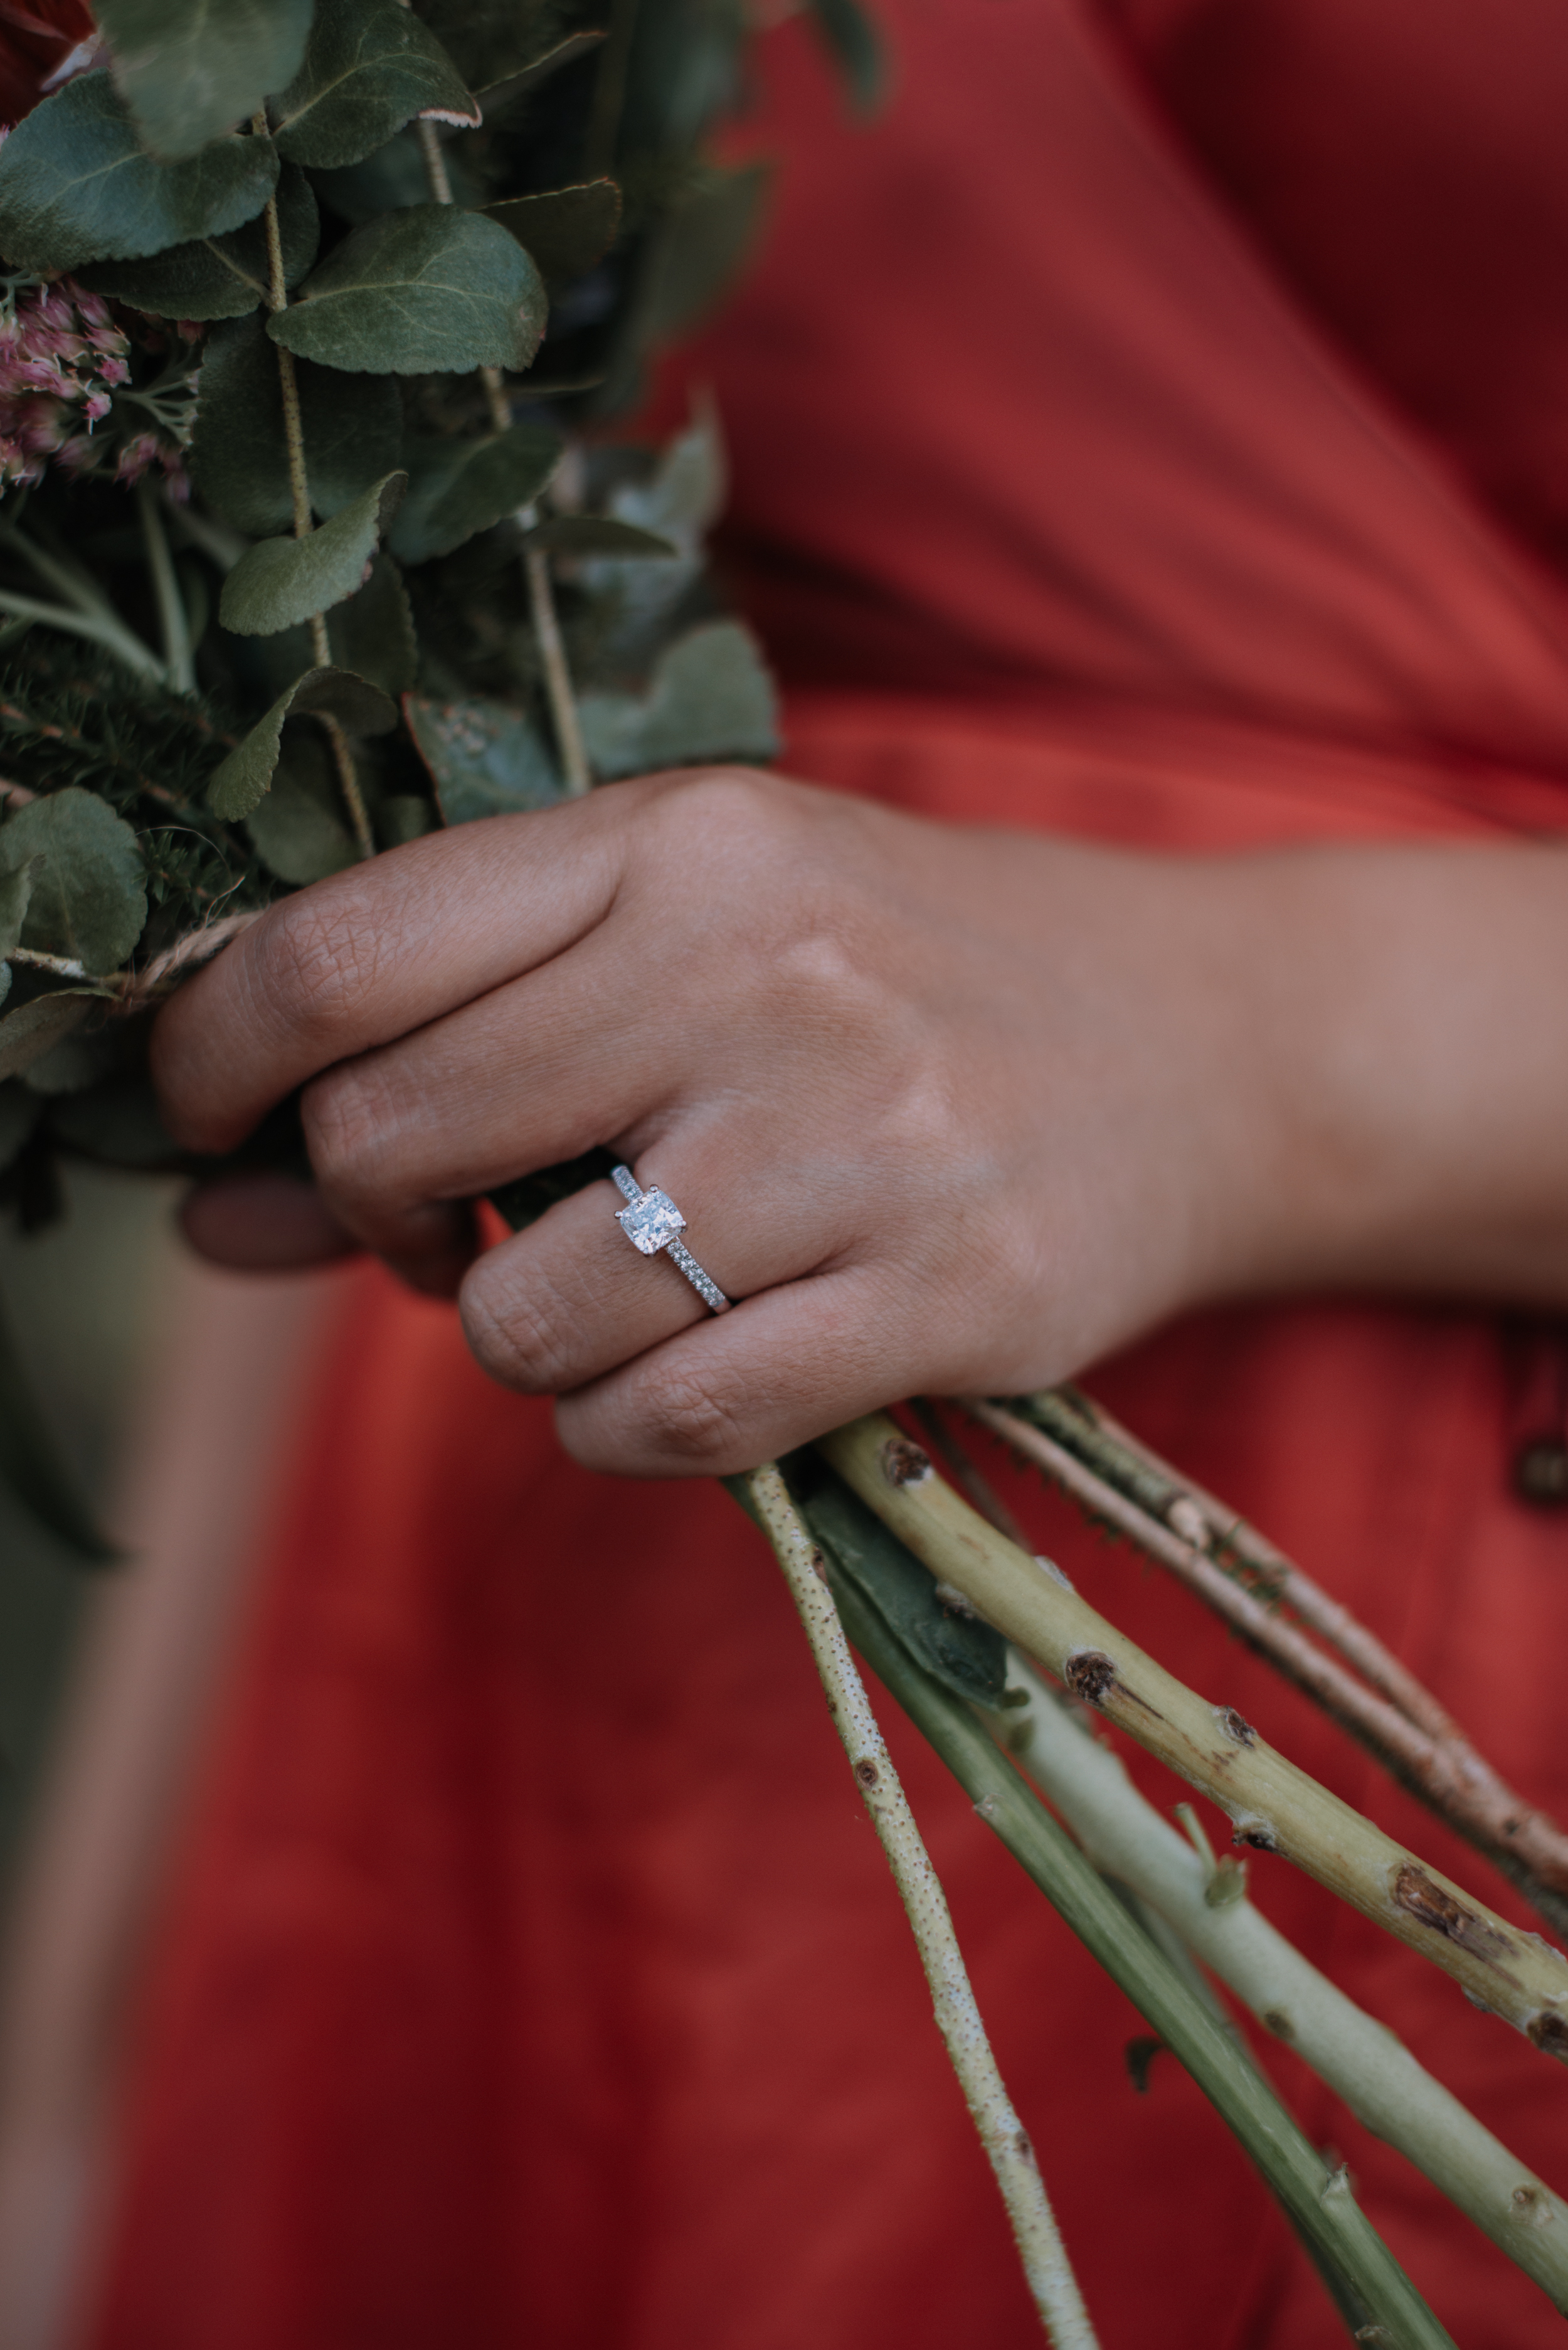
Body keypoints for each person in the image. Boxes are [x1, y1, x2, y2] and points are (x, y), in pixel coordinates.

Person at [85, 2, 1568, 2342]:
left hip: (1422, 1636)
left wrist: (1243, 1041)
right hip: (515, 1632)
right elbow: (350, 824)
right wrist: (88, 2030)